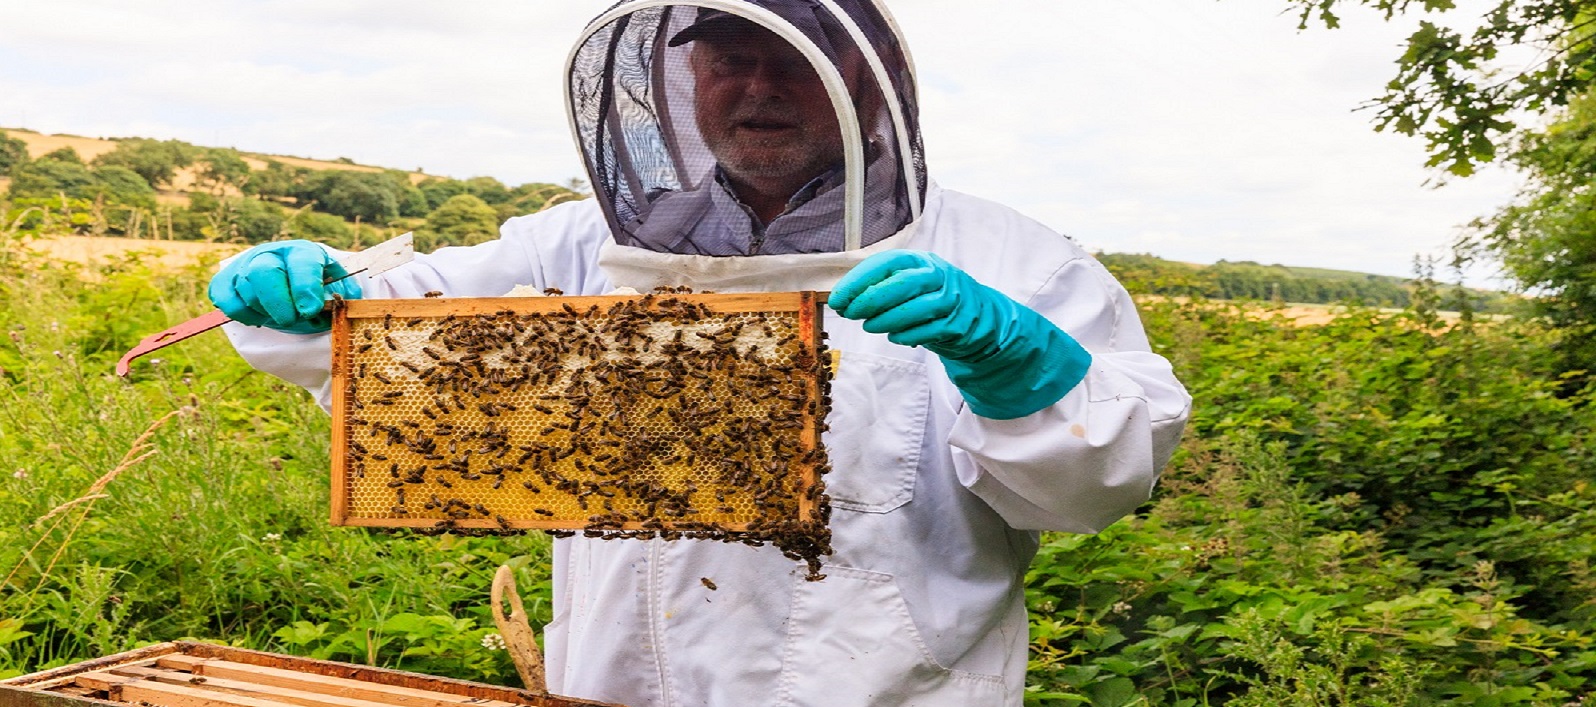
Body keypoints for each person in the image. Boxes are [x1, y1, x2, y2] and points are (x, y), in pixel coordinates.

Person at [210, 1, 1191, 705]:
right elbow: (387, 342)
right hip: (611, 685)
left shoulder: (1008, 259)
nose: (758, 86)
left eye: (791, 59)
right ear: (685, 78)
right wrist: (306, 301)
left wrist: (1022, 369)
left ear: (862, 79)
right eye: (728, 55)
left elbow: (1100, 483)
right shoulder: (580, 246)